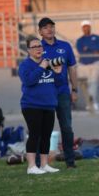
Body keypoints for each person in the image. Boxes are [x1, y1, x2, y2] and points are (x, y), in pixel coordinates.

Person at [19, 36, 62, 175]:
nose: (38, 48)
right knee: (34, 134)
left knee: (46, 135)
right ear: (28, 50)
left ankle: (44, 164)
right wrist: (42, 67)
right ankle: (31, 166)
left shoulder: (48, 62)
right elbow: (29, 81)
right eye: (34, 46)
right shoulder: (25, 65)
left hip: (48, 104)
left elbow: (56, 83)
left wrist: (57, 73)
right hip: (31, 105)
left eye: (39, 46)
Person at [38, 17, 78, 168]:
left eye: (51, 26)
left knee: (66, 127)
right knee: (44, 128)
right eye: (45, 27)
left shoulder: (65, 46)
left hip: (62, 92)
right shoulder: (37, 48)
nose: (49, 30)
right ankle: (40, 163)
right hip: (45, 93)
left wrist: (74, 89)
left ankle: (70, 161)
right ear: (40, 32)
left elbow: (72, 68)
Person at [76, 20, 99, 111]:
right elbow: (81, 51)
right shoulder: (80, 40)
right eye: (84, 27)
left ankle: (92, 103)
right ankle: (90, 102)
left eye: (87, 26)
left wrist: (87, 48)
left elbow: (98, 49)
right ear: (82, 28)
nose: (86, 28)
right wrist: (92, 49)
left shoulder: (96, 37)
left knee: (94, 83)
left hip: (96, 63)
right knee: (85, 85)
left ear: (90, 27)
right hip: (83, 64)